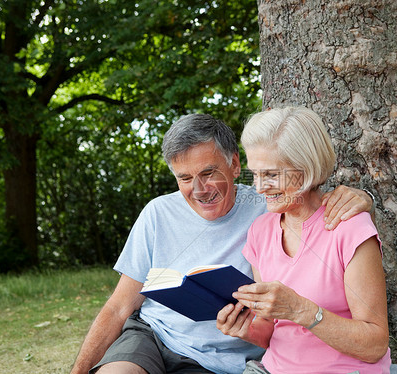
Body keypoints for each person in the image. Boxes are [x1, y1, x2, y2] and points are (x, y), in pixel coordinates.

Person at [70, 113, 374, 374]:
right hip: (152, 335)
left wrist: (363, 198)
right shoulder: (159, 213)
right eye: (185, 178)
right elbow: (119, 306)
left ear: (234, 164)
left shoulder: (267, 206)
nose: (199, 190)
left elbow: (306, 193)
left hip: (211, 359)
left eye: (208, 173)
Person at [216, 106, 391, 373]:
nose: (260, 187)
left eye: (272, 175)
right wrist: (246, 330)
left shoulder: (350, 228)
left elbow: (374, 345)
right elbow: (268, 330)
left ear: (306, 169)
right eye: (256, 174)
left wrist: (301, 310)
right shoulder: (260, 231)